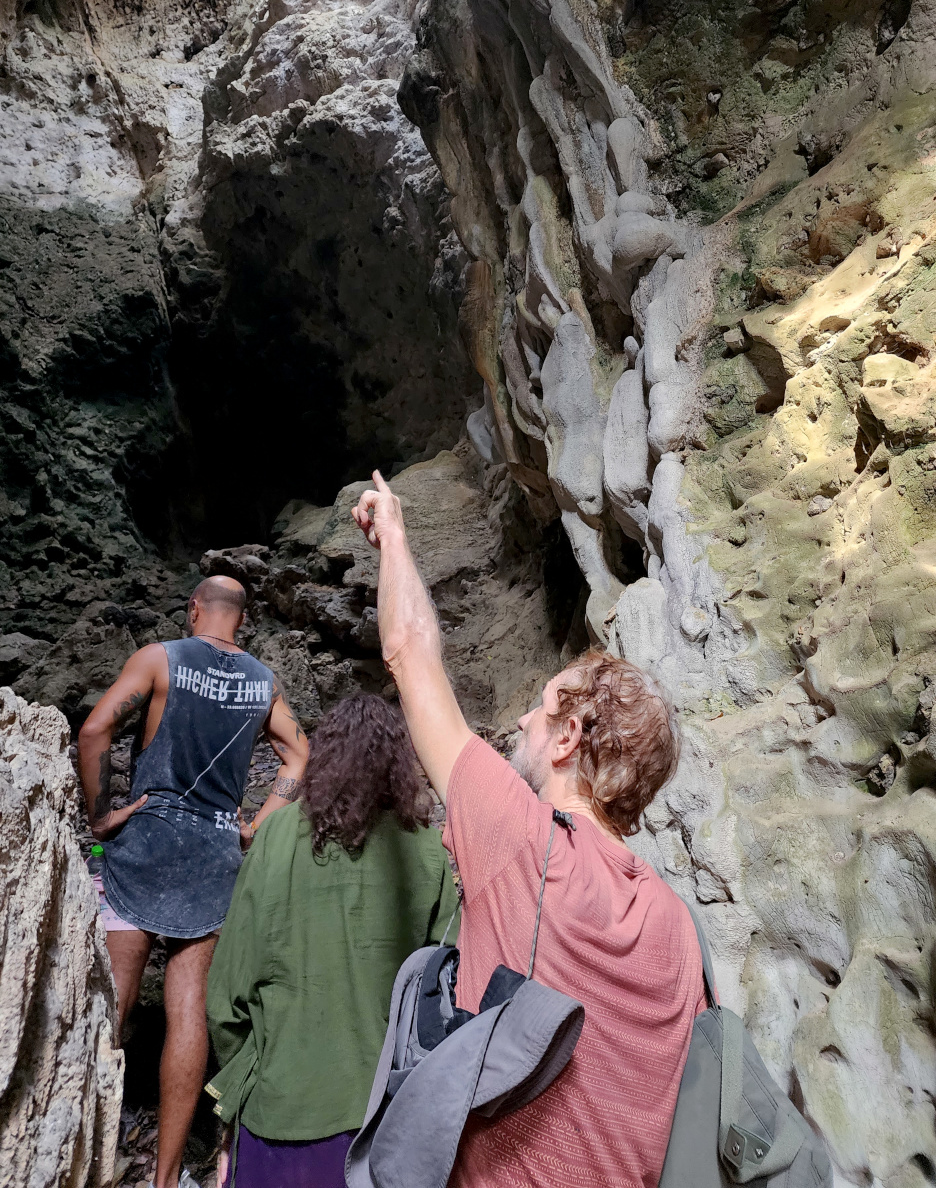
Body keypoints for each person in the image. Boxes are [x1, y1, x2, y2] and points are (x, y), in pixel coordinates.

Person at [351, 472, 706, 1188]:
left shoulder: (526, 844)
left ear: (568, 736)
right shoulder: (678, 928)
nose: (521, 721)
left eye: (540, 710)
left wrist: (393, 534)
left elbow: (409, 651)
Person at [77, 575, 309, 1188]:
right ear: (243, 620)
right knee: (189, 1017)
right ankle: (166, 1178)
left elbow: (95, 730)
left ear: (194, 609)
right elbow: (300, 758)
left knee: (112, 1002)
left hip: (143, 847)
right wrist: (254, 826)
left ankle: (78, 1153)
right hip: (214, 858)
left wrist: (102, 817)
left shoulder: (160, 658)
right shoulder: (263, 683)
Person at [206, 693, 459, 1188]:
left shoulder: (275, 836)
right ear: (399, 768)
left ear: (324, 757)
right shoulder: (428, 850)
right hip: (384, 1121)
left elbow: (226, 996)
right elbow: (445, 996)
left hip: (280, 1110)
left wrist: (236, 1093)